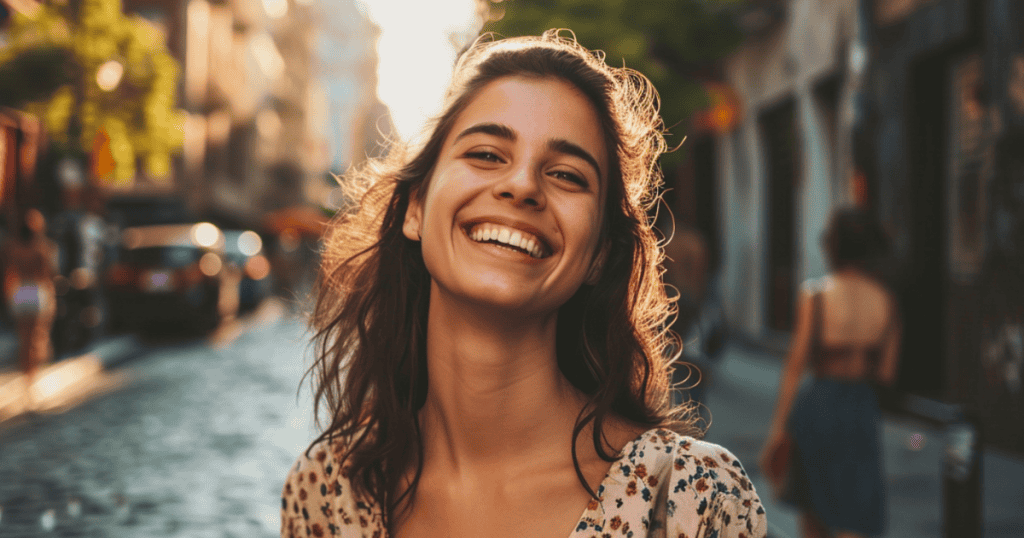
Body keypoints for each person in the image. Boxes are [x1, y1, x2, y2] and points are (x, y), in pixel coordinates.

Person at [282, 31, 766, 538]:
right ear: (416, 208)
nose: (522, 185)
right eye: (488, 155)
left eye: (567, 175)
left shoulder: (691, 497)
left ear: (600, 252)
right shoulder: (326, 491)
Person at [759, 208, 900, 538]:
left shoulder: (816, 295)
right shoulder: (887, 301)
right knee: (857, 512)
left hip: (818, 406)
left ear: (833, 247)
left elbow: (795, 365)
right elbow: (887, 373)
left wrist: (779, 429)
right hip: (860, 409)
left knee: (814, 513)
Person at [2, 208, 58, 409]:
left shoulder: (13, 247)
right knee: (35, 336)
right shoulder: (43, 248)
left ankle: (27, 377)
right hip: (36, 291)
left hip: (20, 291)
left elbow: (9, 274)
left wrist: (9, 295)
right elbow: (47, 275)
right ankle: (32, 379)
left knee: (24, 337)